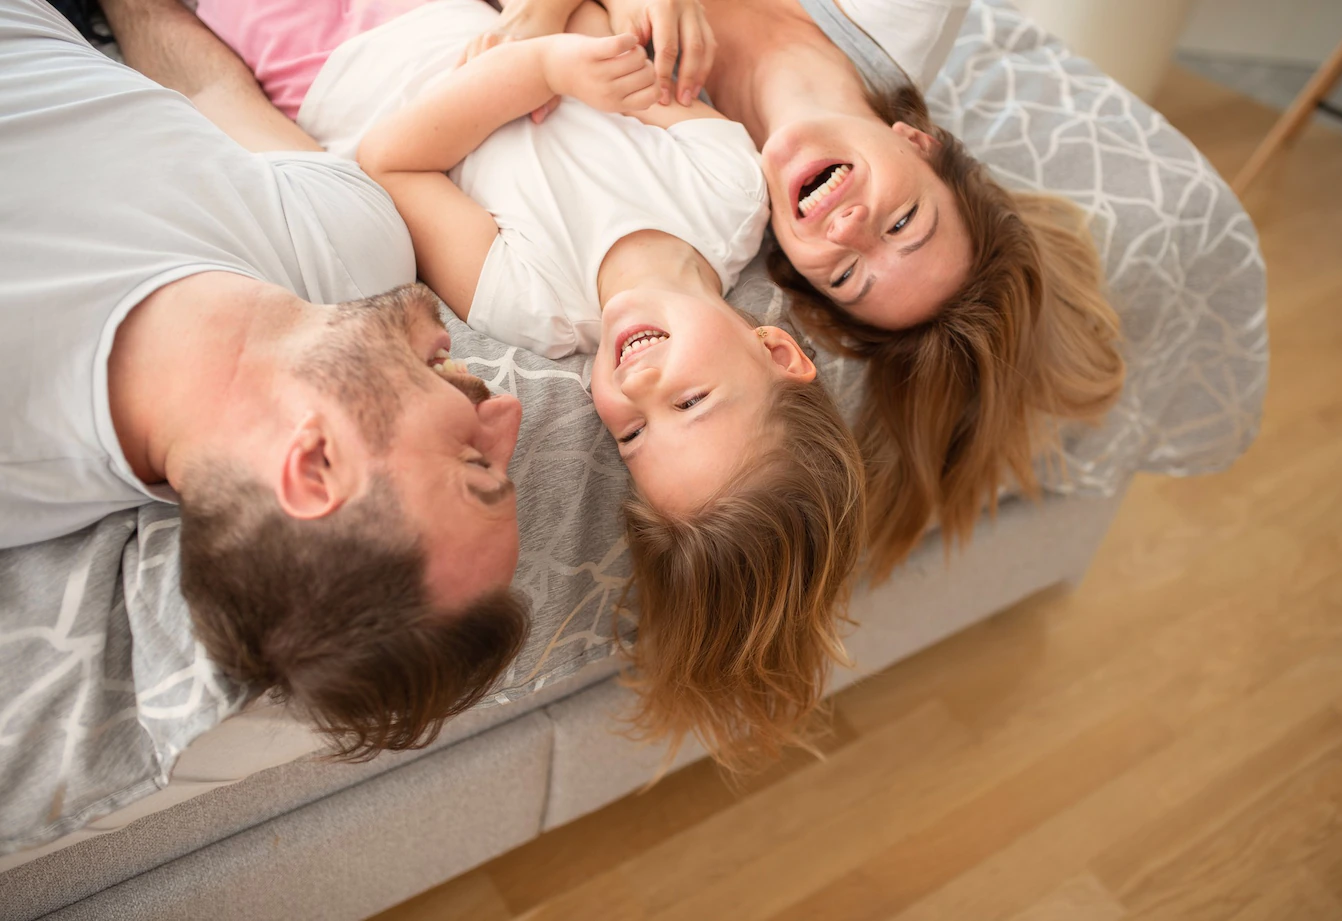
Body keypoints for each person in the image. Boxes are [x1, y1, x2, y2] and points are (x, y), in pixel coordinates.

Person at [186, 0, 867, 770]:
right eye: (690, 400)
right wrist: (559, 38)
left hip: (336, 61)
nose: (639, 387)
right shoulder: (730, 186)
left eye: (633, 433)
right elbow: (601, 28)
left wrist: (540, 70)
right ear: (776, 350)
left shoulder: (537, 304)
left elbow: (389, 165)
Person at [1, 0, 529, 759]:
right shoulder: (354, 251)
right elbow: (212, 95)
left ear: (315, 465)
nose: (505, 411)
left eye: (475, 462)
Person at [484, 0, 1127, 581]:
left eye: (846, 273)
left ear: (790, 262)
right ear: (922, 147)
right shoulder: (903, 13)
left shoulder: (698, 162)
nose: (848, 228)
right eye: (905, 222)